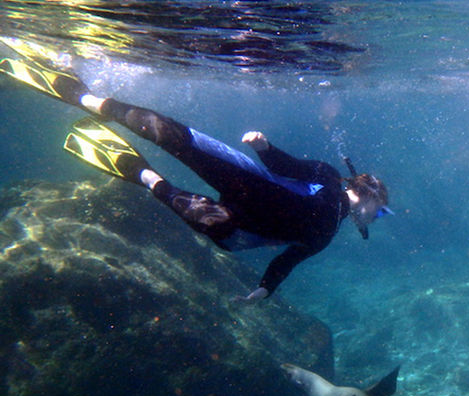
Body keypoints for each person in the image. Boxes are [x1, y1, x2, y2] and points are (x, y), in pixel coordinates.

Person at [1, 47, 391, 303]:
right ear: (371, 196)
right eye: (380, 211)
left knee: (188, 206)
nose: (375, 219)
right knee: (172, 134)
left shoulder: (324, 237)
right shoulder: (327, 175)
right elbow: (286, 168)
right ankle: (83, 96)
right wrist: (263, 146)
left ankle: (145, 176)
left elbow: (286, 262)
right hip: (248, 183)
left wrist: (264, 289)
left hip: (238, 228)